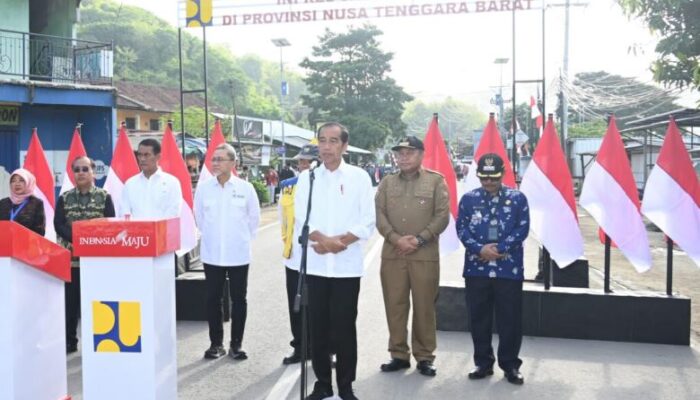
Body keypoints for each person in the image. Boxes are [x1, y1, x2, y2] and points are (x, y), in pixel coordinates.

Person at [294, 122, 375, 400]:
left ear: (344, 146)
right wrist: (325, 241)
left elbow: (367, 220)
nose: (326, 147)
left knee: (344, 328)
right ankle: (323, 384)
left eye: (332, 141)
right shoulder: (307, 178)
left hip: (346, 268)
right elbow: (301, 219)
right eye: (322, 141)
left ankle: (345, 385)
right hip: (316, 266)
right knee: (317, 327)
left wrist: (339, 242)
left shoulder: (359, 177)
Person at [375, 136, 450, 377]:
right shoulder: (387, 183)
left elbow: (442, 216)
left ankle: (425, 356)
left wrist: (419, 239)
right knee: (394, 305)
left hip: (424, 254)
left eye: (409, 152)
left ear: (421, 154)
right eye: (400, 153)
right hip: (393, 253)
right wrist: (396, 239)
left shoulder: (436, 181)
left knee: (424, 306)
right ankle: (398, 354)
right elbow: (379, 215)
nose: (403, 157)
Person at [456, 153, 530, 385]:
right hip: (477, 269)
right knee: (479, 318)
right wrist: (480, 249)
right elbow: (462, 229)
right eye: (484, 178)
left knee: (510, 319)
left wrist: (501, 247)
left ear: (503, 174)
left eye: (493, 178)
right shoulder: (468, 199)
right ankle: (483, 363)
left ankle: (510, 365)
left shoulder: (518, 199)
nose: (488, 182)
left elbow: (523, 228)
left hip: (508, 269)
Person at [194, 144, 260, 360]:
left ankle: (236, 345)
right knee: (213, 299)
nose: (215, 163)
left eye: (220, 159)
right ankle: (216, 344)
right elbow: (200, 219)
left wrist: (238, 240)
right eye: (213, 159)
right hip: (212, 254)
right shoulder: (204, 188)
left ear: (233, 163)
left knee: (239, 299)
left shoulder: (245, 188)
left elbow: (254, 220)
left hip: (238, 253)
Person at [54, 156, 116, 353]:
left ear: (93, 172)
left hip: (96, 262)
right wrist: (78, 239)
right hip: (71, 262)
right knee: (70, 305)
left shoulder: (105, 196)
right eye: (77, 170)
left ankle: (97, 341)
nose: (80, 173)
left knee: (96, 303)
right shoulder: (64, 198)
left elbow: (109, 224)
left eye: (84, 169)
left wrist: (89, 242)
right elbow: (58, 224)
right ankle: (70, 341)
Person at [279, 143, 318, 365]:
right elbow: (282, 220)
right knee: (296, 304)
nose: (303, 165)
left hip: (320, 256)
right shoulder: (287, 187)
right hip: (294, 256)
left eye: (307, 161)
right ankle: (300, 346)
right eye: (300, 161)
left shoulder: (324, 185)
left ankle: (323, 349)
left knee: (321, 307)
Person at [120, 138, 182, 219]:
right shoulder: (130, 183)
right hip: (136, 231)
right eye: (140, 155)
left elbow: (173, 212)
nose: (142, 159)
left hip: (163, 230)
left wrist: (154, 229)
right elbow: (124, 212)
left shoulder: (172, 182)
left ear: (158, 157)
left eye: (147, 155)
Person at [0, 168, 45, 235]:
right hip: (5, 242)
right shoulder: (3, 203)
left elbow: (40, 231)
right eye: (13, 181)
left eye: (21, 180)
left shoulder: (36, 203)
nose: (17, 184)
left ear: (28, 182)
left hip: (27, 243)